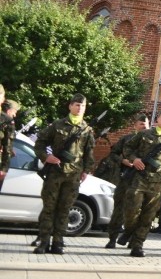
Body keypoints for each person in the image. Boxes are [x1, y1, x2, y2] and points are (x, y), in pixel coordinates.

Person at [33, 93, 95, 254]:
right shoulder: (57, 125)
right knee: (49, 208)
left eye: (82, 106)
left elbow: (89, 152)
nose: (79, 108)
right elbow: (40, 143)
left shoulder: (87, 129)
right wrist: (47, 157)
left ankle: (58, 242)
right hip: (55, 173)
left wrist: (86, 171)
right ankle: (43, 241)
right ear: (70, 106)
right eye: (76, 105)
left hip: (73, 176)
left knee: (65, 209)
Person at [118, 108, 161, 257]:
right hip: (139, 179)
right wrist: (135, 159)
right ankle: (129, 231)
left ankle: (138, 244)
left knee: (148, 216)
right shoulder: (144, 134)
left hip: (158, 183)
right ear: (157, 119)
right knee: (131, 211)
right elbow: (127, 148)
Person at [104, 113, 150, 248]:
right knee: (119, 209)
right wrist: (123, 160)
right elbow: (113, 154)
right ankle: (112, 238)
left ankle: (132, 239)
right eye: (141, 124)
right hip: (125, 179)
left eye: (145, 125)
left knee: (137, 211)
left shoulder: (152, 142)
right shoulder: (126, 139)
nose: (143, 127)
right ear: (135, 125)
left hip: (142, 180)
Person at [0, 96, 20, 192]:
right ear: (9, 110)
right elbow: (7, 147)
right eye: (14, 112)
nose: (15, 115)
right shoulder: (8, 121)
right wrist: (4, 169)